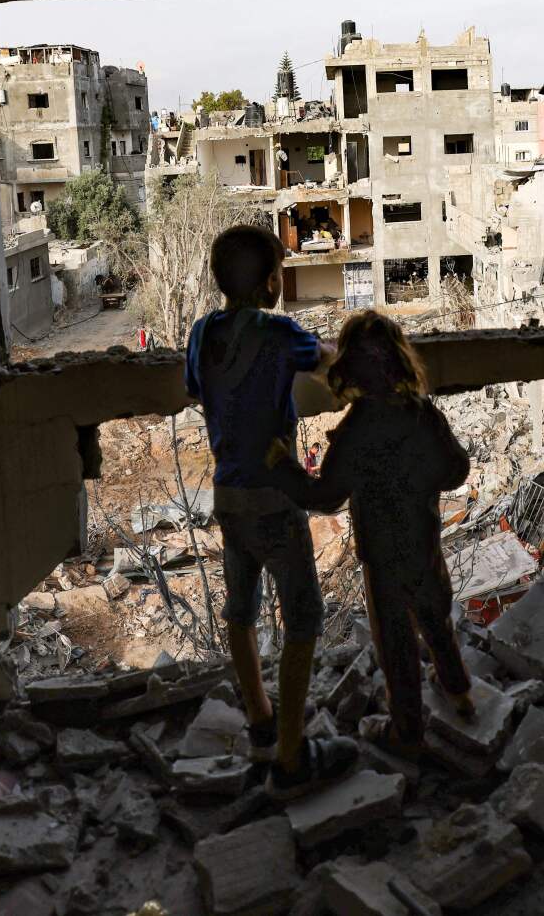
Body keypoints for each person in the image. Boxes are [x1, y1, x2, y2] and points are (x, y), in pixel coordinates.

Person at [185, 223, 358, 797]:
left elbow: (197, 389)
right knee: (302, 615)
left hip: (227, 496)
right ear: (268, 284)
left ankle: (260, 721)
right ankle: (291, 755)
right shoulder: (281, 333)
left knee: (241, 609)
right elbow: (329, 364)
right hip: (274, 499)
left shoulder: (200, 334)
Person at [314, 311, 476, 757]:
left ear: (348, 368)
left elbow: (327, 497)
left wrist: (282, 471)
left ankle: (407, 731)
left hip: (381, 555)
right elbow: (456, 470)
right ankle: (458, 692)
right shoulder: (421, 414)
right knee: (436, 619)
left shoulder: (354, 430)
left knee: (396, 645)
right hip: (423, 541)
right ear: (400, 360)